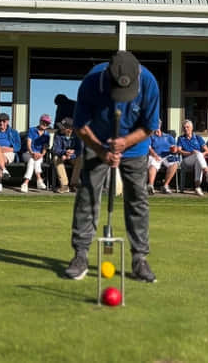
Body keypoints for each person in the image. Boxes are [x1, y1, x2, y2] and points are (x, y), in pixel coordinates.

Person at [64, 50, 160, 283]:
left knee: (137, 198)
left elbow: (149, 126)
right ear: (108, 76)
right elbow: (80, 126)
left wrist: (125, 143)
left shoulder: (149, 83)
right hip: (96, 141)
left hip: (134, 147)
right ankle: (80, 255)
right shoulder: (91, 83)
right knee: (87, 195)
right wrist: (101, 151)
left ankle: (139, 259)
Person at [178, 119, 208, 196]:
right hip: (186, 161)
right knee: (198, 155)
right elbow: (179, 151)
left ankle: (197, 188)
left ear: (192, 128)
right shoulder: (181, 138)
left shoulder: (198, 138)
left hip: (198, 160)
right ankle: (207, 173)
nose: (185, 129)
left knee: (198, 159)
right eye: (184, 127)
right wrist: (190, 153)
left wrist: (200, 154)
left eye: (187, 127)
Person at [20, 114, 52, 193]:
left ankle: (25, 183)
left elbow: (45, 148)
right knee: (32, 159)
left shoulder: (47, 135)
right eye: (44, 122)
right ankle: (39, 180)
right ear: (40, 121)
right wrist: (32, 153)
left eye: (47, 123)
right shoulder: (32, 130)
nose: (45, 124)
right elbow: (28, 144)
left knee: (33, 161)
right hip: (28, 153)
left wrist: (41, 155)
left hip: (38, 155)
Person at [52, 117, 83, 194]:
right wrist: (64, 153)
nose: (60, 128)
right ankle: (64, 185)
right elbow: (55, 149)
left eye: (63, 127)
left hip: (73, 157)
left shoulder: (77, 135)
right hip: (62, 157)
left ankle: (74, 184)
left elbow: (80, 150)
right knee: (56, 158)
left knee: (81, 158)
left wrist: (71, 155)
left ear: (70, 128)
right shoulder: (58, 134)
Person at [147, 123, 179, 195]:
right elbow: (149, 148)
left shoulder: (168, 136)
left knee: (175, 164)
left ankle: (165, 186)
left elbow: (175, 148)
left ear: (160, 125)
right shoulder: (150, 136)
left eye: (157, 124)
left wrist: (174, 149)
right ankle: (151, 186)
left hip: (166, 155)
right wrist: (155, 155)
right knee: (153, 164)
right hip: (155, 155)